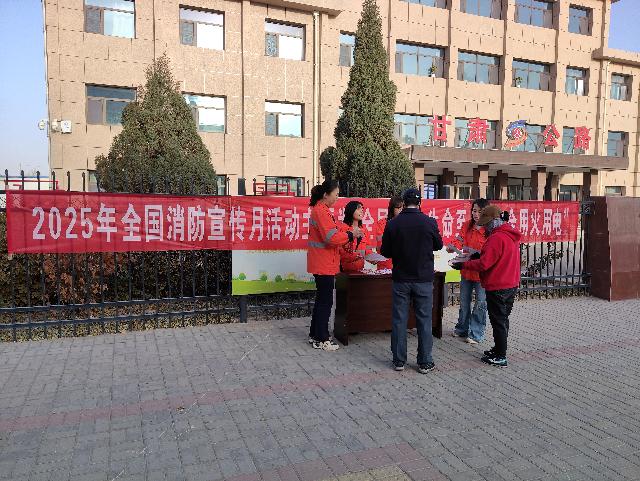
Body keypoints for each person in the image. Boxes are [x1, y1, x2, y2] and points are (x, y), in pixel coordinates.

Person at [380, 188, 443, 373]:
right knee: (424, 320)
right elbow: (438, 245)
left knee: (399, 320)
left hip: (401, 278)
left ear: (404, 203)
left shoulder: (393, 224)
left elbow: (385, 251)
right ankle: (425, 362)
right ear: (420, 203)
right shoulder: (429, 222)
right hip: (423, 279)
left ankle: (399, 361)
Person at [452, 205, 521, 367]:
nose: (485, 228)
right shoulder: (509, 234)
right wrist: (478, 255)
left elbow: (484, 264)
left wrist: (463, 265)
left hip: (498, 286)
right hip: (510, 284)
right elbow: (495, 257)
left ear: (494, 221)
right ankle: (498, 349)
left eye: (487, 224)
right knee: (502, 320)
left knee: (498, 321)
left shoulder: (496, 238)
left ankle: (500, 356)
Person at [307, 180, 362, 351]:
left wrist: (348, 233)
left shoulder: (322, 210)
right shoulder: (321, 211)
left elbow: (334, 233)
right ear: (326, 194)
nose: (337, 198)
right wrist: (350, 235)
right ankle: (322, 339)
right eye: (336, 195)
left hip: (324, 263)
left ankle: (315, 335)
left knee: (321, 301)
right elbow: (331, 238)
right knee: (325, 302)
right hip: (324, 264)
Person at [447, 198, 489, 344]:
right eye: (474, 211)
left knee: (480, 303)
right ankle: (462, 329)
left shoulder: (489, 230)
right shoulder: (466, 225)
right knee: (464, 302)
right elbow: (458, 240)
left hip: (481, 274)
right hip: (466, 270)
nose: (476, 214)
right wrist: (452, 246)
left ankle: (476, 333)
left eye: (480, 211)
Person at [339, 201, 373, 272]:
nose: (361, 211)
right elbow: (339, 251)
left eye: (362, 209)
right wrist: (355, 256)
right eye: (358, 208)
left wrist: (373, 258)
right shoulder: (342, 228)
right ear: (351, 210)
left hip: (360, 270)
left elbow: (368, 250)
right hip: (344, 271)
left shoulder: (364, 230)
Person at [374, 196, 403, 271]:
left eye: (403, 208)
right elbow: (381, 244)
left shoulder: (407, 224)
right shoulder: (382, 223)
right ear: (392, 208)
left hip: (402, 266)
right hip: (385, 265)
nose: (401, 210)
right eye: (398, 208)